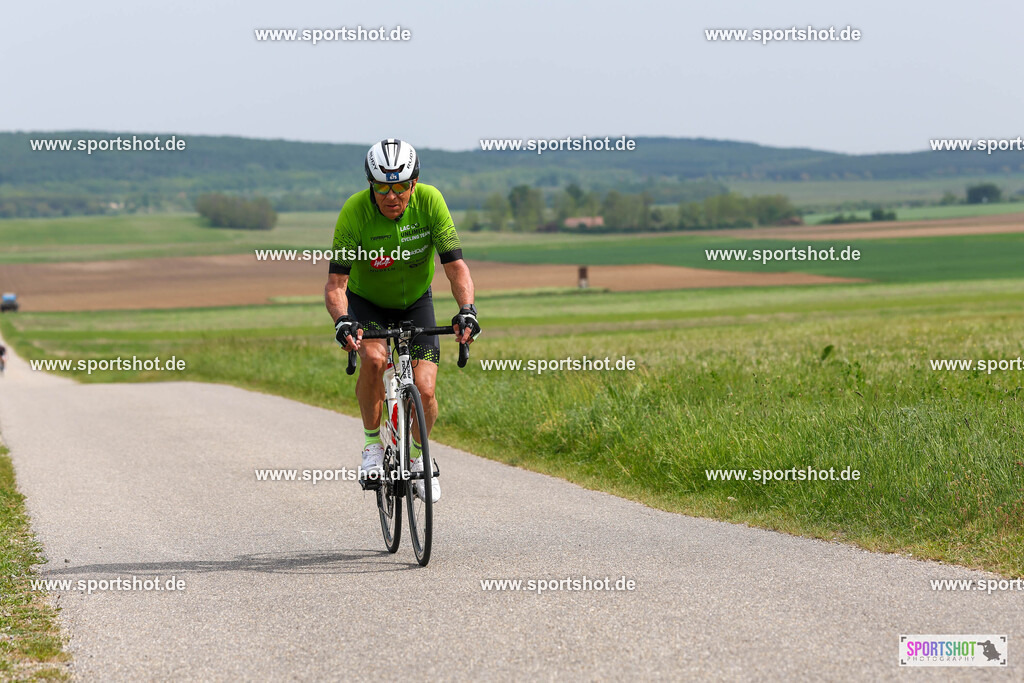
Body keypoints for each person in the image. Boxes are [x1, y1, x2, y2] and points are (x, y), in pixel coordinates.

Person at [324, 139, 479, 503]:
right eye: (382, 187)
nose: (391, 196)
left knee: (424, 389)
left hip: (415, 303)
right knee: (376, 360)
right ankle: (371, 447)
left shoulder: (430, 202)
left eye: (399, 186)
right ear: (370, 185)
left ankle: (416, 458)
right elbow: (336, 285)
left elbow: (455, 267)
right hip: (368, 303)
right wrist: (343, 320)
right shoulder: (355, 212)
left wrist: (468, 309)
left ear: (414, 182)